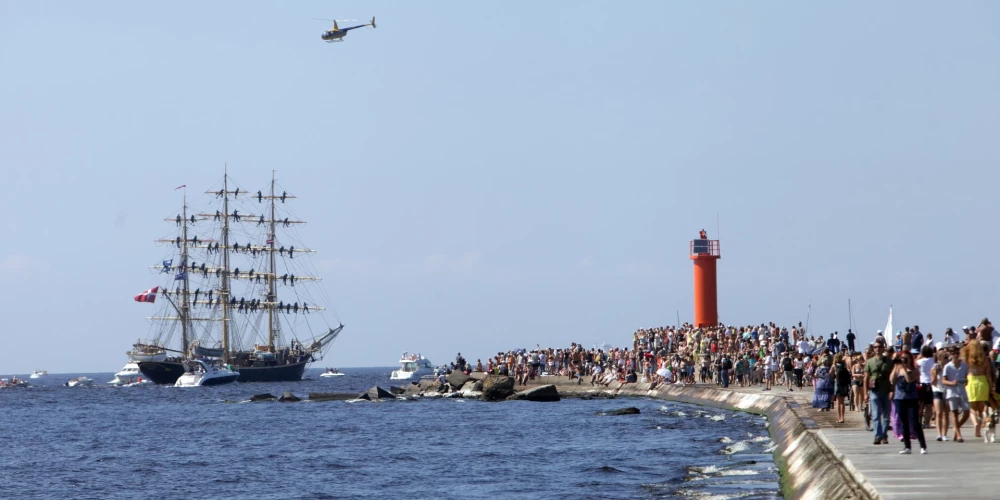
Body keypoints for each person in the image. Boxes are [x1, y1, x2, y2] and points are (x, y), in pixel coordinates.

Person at [892, 350, 927, 454]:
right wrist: (895, 367)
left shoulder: (915, 370)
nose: (904, 360)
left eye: (906, 358)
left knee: (915, 422)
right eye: (902, 358)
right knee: (904, 423)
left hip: (911, 398)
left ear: (910, 359)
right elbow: (891, 379)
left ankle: (923, 446)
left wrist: (904, 368)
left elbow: (909, 380)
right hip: (899, 398)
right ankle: (907, 446)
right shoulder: (898, 369)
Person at [865, 337, 892, 445]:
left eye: (879, 347)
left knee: (886, 415)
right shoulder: (870, 362)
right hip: (874, 390)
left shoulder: (889, 361)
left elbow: (892, 376)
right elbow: (866, 377)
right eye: (875, 347)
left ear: (883, 348)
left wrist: (892, 390)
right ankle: (877, 436)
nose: (877, 349)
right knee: (876, 414)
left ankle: (884, 435)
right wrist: (865, 393)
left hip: (886, 389)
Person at [834, 353, 852, 423]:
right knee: (842, 402)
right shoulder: (844, 366)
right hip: (844, 385)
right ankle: (842, 418)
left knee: (838, 402)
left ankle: (839, 418)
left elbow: (830, 374)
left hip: (838, 385)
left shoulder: (834, 366)